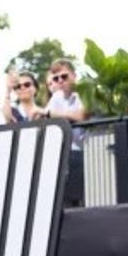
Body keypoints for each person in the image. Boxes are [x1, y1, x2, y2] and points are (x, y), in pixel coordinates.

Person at [44, 58, 87, 207]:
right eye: (56, 78)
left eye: (64, 76)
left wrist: (52, 114)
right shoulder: (57, 97)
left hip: (85, 152)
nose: (60, 81)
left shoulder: (84, 90)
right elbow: (44, 117)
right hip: (65, 154)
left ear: (74, 75)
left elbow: (80, 115)